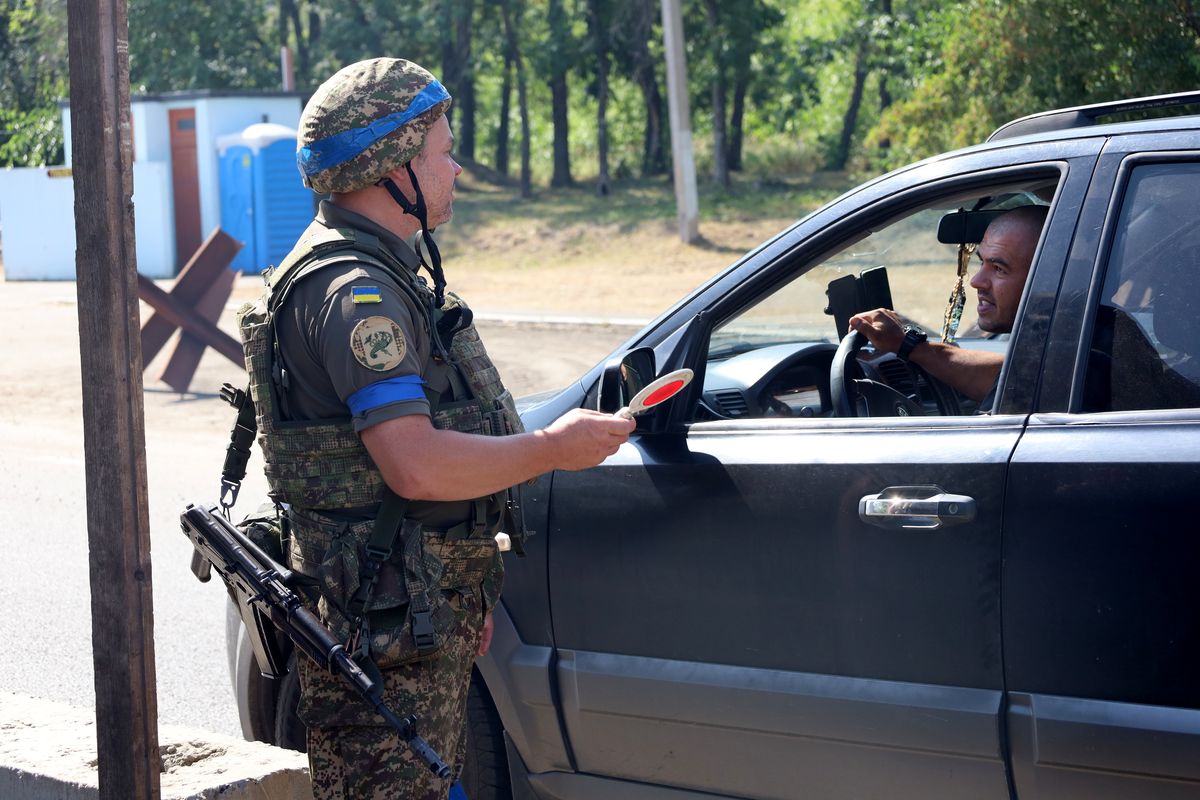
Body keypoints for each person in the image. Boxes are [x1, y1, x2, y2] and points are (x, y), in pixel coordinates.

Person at [238, 58, 635, 799]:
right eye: (443, 153)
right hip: (383, 631)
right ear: (391, 167)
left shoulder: (376, 272)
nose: (455, 170)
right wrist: (555, 449)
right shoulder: (355, 294)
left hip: (410, 614)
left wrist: (462, 598)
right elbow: (413, 465)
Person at [848, 205, 1049, 411]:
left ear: (1047, 279)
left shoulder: (1058, 367)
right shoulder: (1053, 356)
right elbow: (1003, 375)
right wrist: (908, 345)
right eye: (982, 263)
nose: (976, 281)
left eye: (999, 269)